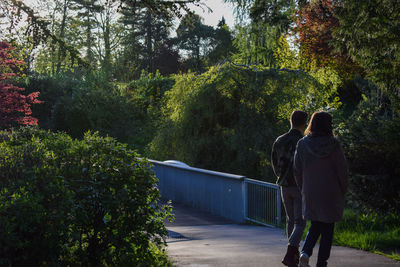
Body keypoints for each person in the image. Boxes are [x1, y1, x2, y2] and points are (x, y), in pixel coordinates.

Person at [294, 111, 348, 267]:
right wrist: (343, 189)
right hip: (331, 192)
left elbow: (296, 170)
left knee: (315, 224)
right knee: (328, 228)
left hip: (310, 191)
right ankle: (321, 262)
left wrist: (303, 188)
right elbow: (342, 171)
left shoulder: (302, 144)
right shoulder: (334, 144)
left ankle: (304, 253)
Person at [272, 110, 308, 267]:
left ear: (291, 121)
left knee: (290, 220)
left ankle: (293, 255)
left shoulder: (279, 140)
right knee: (300, 222)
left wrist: (281, 176)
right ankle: (291, 251)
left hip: (284, 186)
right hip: (299, 186)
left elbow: (274, 163)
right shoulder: (304, 141)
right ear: (304, 123)